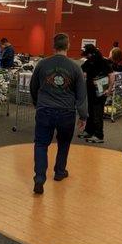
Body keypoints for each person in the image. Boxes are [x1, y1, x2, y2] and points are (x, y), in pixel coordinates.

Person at [30, 33, 88, 195]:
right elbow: (81, 95)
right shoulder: (76, 67)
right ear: (68, 46)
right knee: (63, 144)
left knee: (41, 144)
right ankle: (60, 172)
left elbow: (33, 87)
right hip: (66, 112)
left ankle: (39, 178)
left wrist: (37, 103)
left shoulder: (42, 64)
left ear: (53, 46)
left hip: (44, 110)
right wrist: (83, 116)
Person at [79, 44, 115, 144]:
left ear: (92, 53)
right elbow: (82, 72)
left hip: (101, 91)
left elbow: (111, 75)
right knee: (90, 111)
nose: (85, 56)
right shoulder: (88, 62)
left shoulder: (103, 62)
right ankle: (89, 131)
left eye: (87, 54)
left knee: (97, 113)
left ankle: (99, 135)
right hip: (90, 91)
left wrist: (109, 89)